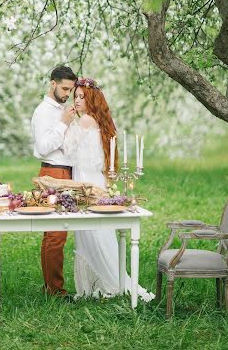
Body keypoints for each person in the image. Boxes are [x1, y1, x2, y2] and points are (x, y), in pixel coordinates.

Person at [64, 77, 154, 301]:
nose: (76, 101)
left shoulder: (84, 121)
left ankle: (103, 284)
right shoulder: (98, 121)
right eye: (75, 97)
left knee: (91, 233)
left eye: (81, 97)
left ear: (91, 99)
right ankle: (107, 280)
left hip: (86, 181)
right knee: (101, 232)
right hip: (96, 179)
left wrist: (65, 123)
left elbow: (67, 151)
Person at [31, 65, 77, 298]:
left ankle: (52, 286)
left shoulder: (61, 109)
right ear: (53, 84)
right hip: (53, 174)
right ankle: (55, 290)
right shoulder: (44, 112)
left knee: (60, 232)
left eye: (70, 90)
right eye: (64, 88)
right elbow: (42, 147)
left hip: (67, 173)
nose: (67, 93)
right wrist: (63, 124)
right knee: (55, 234)